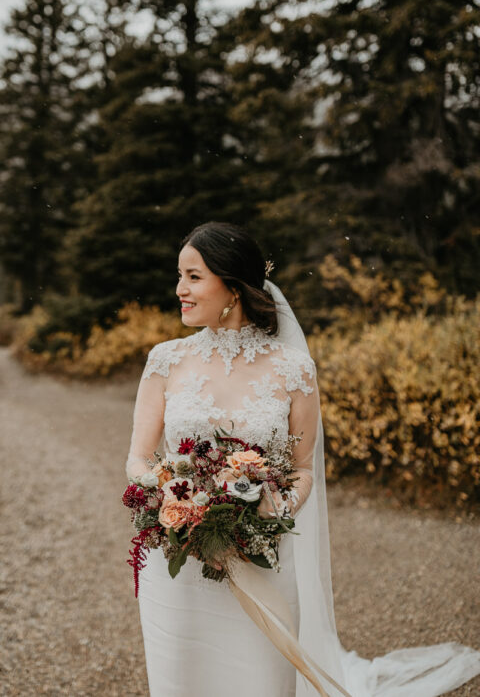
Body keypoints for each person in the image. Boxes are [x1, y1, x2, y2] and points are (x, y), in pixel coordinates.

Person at [126, 221, 480, 697]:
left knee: (260, 677)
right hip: (182, 561)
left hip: (264, 555)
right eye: (180, 275)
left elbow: (302, 469)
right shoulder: (165, 360)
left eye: (193, 276)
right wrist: (181, 503)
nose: (179, 289)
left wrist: (270, 512)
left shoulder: (293, 369)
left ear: (231, 286)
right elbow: (138, 459)